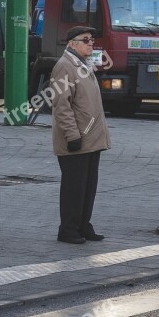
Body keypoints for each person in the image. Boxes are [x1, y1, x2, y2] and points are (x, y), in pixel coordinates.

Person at [51, 26, 111, 244]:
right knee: (74, 188)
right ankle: (68, 230)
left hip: (91, 139)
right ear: (71, 44)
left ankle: (83, 225)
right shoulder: (64, 67)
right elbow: (61, 106)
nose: (90, 43)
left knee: (87, 187)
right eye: (85, 40)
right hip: (76, 139)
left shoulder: (84, 65)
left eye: (91, 40)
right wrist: (72, 135)